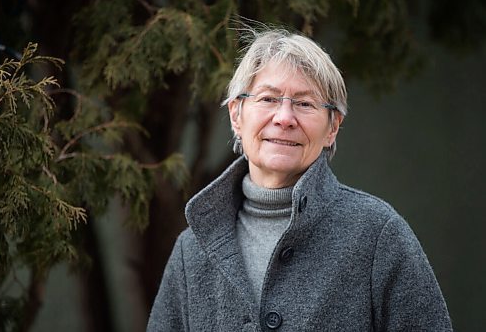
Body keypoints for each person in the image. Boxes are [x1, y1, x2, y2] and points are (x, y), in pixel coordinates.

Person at [147, 28, 452, 331]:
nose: (284, 117)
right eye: (268, 99)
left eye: (305, 104)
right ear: (236, 116)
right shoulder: (192, 250)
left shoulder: (378, 236)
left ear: (333, 127)